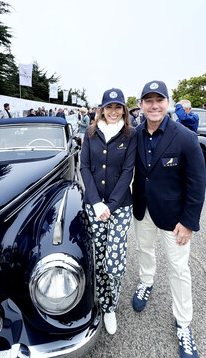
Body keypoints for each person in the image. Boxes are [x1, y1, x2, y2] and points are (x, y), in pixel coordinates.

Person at [131, 80, 206, 358]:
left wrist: (189, 222)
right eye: (148, 100)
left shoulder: (185, 137)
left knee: (179, 269)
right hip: (143, 211)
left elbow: (197, 184)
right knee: (144, 250)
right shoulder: (134, 135)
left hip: (175, 219)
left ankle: (184, 324)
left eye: (158, 100)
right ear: (140, 105)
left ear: (167, 103)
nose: (153, 105)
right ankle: (146, 281)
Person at [80, 88, 137, 335]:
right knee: (97, 255)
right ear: (101, 109)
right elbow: (84, 168)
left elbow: (128, 172)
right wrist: (95, 202)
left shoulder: (131, 134)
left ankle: (110, 306)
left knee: (113, 261)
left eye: (118, 107)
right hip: (94, 206)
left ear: (123, 109)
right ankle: (100, 301)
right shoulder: (90, 133)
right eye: (109, 107)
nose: (113, 112)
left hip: (120, 207)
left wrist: (110, 205)